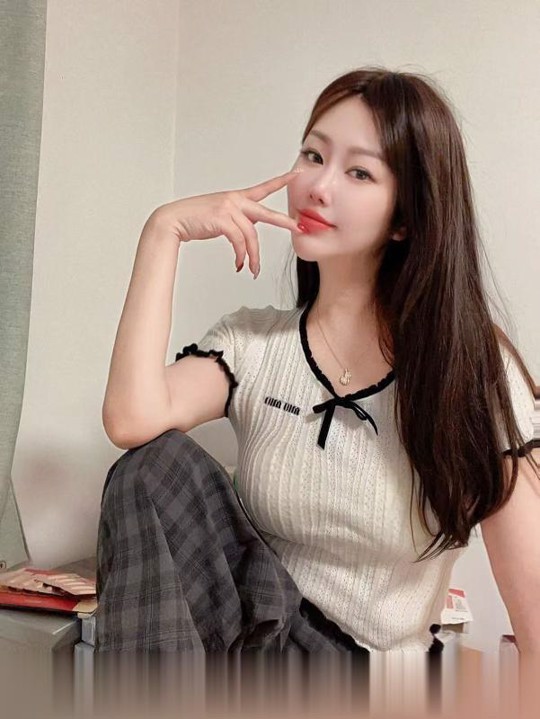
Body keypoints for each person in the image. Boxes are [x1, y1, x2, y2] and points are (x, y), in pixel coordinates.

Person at [96, 67, 539, 657]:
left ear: (405, 218)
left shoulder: (471, 368)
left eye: (359, 172)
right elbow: (131, 419)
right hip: (262, 653)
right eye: (313, 155)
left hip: (378, 678)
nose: (319, 187)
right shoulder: (253, 344)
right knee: (150, 468)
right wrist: (163, 230)